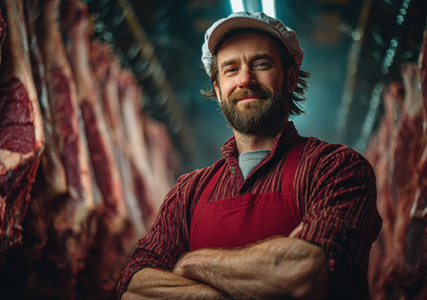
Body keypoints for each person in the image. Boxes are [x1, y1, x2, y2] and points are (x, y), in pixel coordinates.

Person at [116, 11, 382, 300]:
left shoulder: (336, 167)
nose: (245, 79)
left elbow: (301, 276)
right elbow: (132, 288)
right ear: (218, 91)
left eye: (261, 64)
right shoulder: (187, 191)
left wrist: (190, 263)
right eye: (230, 69)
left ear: (290, 79)